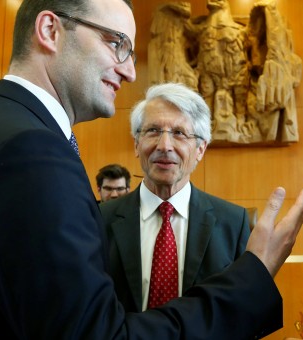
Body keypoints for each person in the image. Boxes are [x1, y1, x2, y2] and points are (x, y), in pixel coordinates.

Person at [0, 0, 303, 338]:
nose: (130, 70)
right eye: (117, 44)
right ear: (50, 30)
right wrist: (252, 277)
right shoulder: (32, 151)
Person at [99, 82, 251, 313]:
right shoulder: (99, 219)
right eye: (153, 131)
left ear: (200, 149)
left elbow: (241, 311)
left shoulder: (233, 223)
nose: (165, 145)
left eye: (179, 133)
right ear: (137, 144)